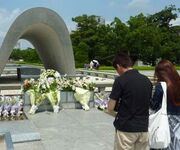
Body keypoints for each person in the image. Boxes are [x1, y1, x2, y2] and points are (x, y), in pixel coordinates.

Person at [108, 52, 152, 150]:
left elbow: (110, 107)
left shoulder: (120, 80)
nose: (117, 72)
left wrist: (114, 113)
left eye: (116, 69)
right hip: (143, 128)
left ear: (119, 66)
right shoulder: (146, 80)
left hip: (126, 128)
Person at [150, 60, 180, 150]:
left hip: (166, 122)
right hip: (178, 122)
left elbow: (154, 106)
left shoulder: (161, 86)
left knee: (163, 145)